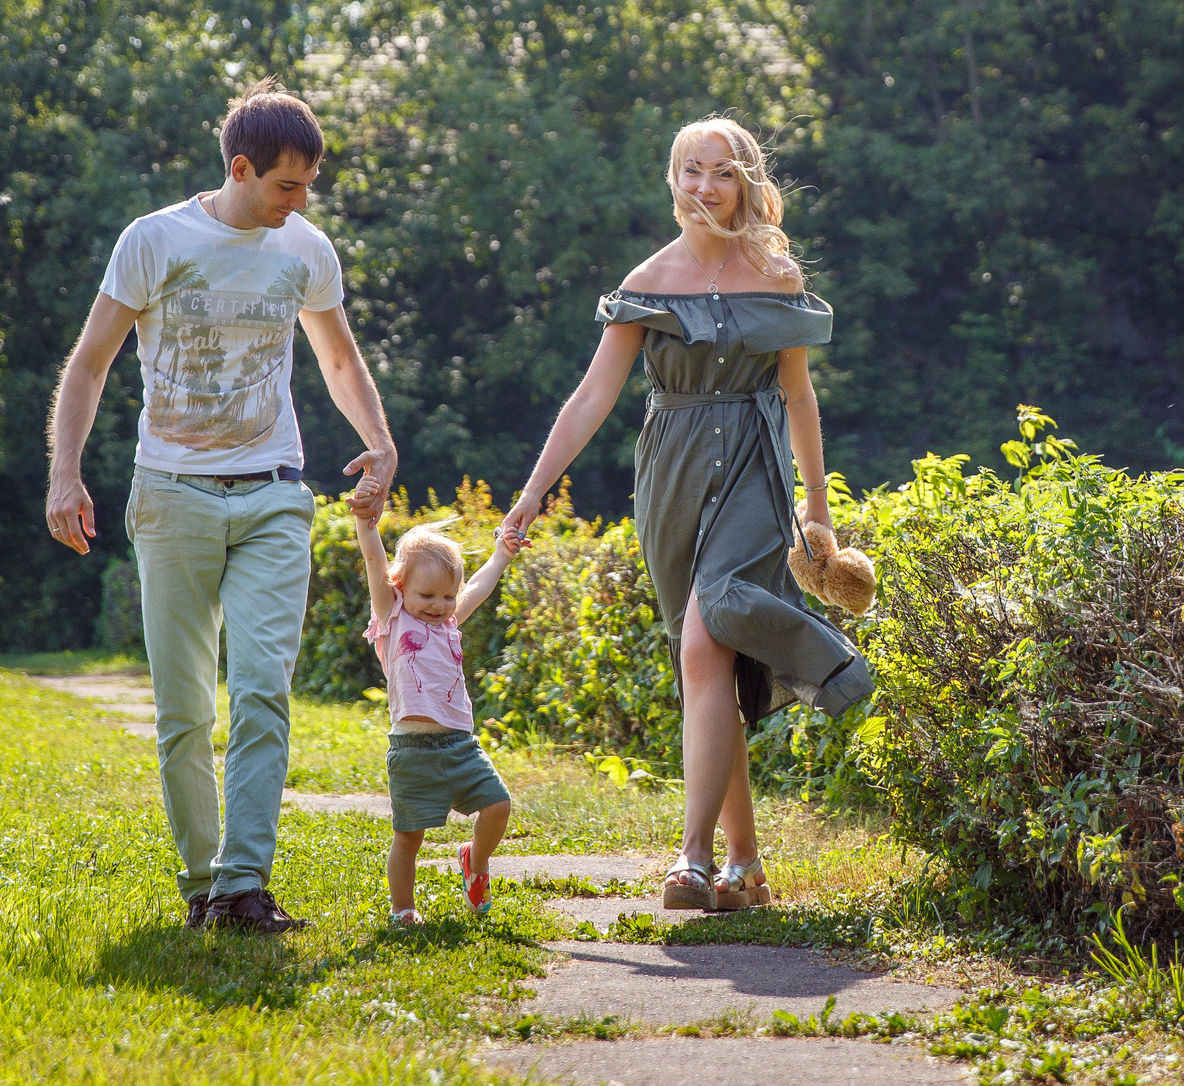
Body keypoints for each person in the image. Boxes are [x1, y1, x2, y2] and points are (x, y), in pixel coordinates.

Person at [44, 79, 398, 934]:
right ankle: (202, 885)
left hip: (276, 492)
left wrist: (381, 441)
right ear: (241, 168)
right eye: (286, 184)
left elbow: (340, 360)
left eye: (309, 185)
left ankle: (244, 885)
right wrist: (65, 472)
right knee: (184, 710)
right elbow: (90, 362)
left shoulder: (304, 248)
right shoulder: (155, 240)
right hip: (170, 496)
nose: (300, 201)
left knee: (264, 693)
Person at [501, 116, 873, 911]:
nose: (705, 186)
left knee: (712, 631)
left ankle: (692, 858)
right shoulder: (647, 281)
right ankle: (744, 862)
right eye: (690, 170)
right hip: (668, 477)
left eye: (723, 172)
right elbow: (591, 399)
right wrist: (533, 492)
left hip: (753, 467)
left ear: (744, 182)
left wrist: (818, 506)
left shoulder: (774, 274)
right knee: (706, 658)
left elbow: (798, 393)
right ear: (671, 180)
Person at [352, 518, 524, 926]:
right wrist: (365, 522)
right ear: (399, 586)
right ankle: (402, 910)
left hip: (460, 745)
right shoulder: (393, 620)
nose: (439, 605)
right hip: (412, 751)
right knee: (409, 837)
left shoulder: (448, 623)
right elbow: (374, 557)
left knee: (499, 806)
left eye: (448, 596)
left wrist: (502, 553)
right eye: (426, 594)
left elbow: (479, 587)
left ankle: (474, 861)